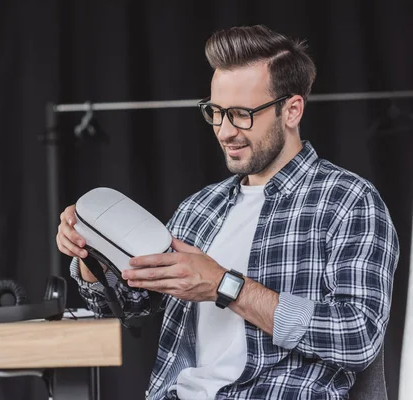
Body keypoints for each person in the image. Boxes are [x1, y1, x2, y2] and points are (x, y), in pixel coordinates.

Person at [55, 25, 400, 400]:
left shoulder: (348, 201)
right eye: (216, 112)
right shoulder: (200, 208)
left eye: (241, 114)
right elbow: (130, 307)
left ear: (292, 110)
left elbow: (357, 337)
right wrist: (89, 252)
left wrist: (225, 285)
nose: (224, 131)